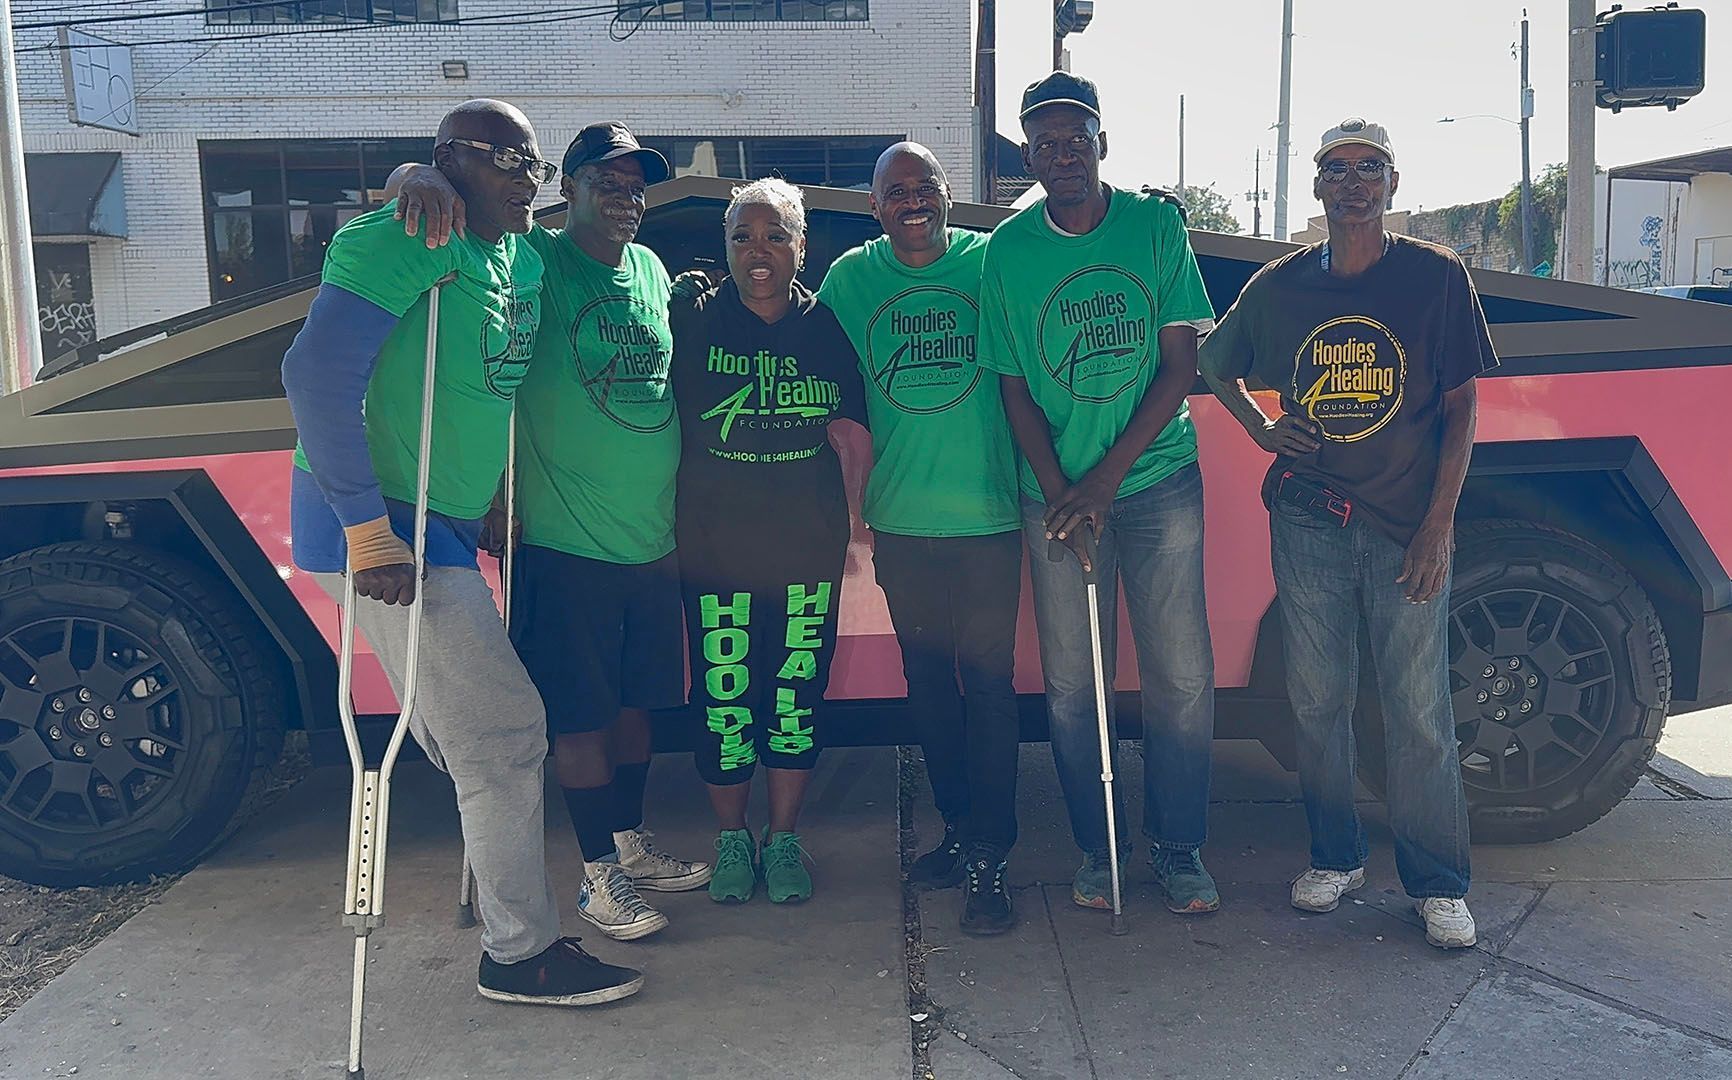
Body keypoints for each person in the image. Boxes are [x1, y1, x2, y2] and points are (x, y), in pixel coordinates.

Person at [281, 99, 644, 1005]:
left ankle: (501, 896)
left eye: (532, 161)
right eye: (504, 159)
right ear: (450, 160)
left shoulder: (516, 252)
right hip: (383, 530)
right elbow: (315, 377)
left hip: (444, 521)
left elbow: (480, 385)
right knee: (506, 734)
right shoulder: (409, 233)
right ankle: (519, 954)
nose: (526, 176)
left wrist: (490, 492)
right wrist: (368, 530)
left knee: (466, 733)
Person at [388, 121, 713, 945]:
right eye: (607, 180)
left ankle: (630, 845)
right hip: (566, 543)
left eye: (637, 184)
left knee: (640, 707)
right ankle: (599, 877)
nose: (626, 196)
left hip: (652, 538)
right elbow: (461, 224)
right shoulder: (538, 260)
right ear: (565, 188)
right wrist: (408, 175)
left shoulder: (649, 269)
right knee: (579, 717)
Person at [1199, 118, 1496, 949]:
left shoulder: (1436, 277)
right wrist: (1261, 431)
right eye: (1338, 169)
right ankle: (1335, 856)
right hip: (1309, 519)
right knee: (1317, 701)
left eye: (1371, 169)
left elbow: (1462, 406)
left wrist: (1439, 525)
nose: (1354, 182)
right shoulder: (1282, 285)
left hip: (1406, 527)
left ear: (1393, 185)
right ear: (1319, 187)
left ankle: (1438, 883)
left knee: (1419, 710)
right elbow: (1214, 363)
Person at [977, 71, 1222, 916]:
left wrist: (1101, 487)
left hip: (1155, 485)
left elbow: (1181, 366)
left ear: (1102, 143)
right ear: (1029, 158)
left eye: (1076, 138)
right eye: (1045, 144)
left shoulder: (1155, 224)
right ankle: (1098, 849)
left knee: (1180, 677)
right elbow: (1012, 388)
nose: (1063, 155)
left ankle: (1179, 847)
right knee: (1074, 687)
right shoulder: (1007, 252)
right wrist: (1061, 499)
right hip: (1054, 499)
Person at [816, 143, 1023, 935]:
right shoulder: (851, 279)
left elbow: (1057, 252)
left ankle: (992, 856)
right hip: (901, 525)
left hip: (991, 525)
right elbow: (802, 351)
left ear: (948, 194)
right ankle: (960, 829)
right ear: (874, 206)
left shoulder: (990, 261)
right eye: (895, 191)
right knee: (931, 696)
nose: (912, 201)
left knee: (993, 695)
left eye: (925, 187)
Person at [672, 177, 867, 905]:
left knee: (793, 699)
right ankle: (732, 840)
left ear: (801, 247)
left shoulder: (827, 327)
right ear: (725, 248)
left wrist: (859, 523)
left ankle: (782, 839)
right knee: (723, 701)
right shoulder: (691, 314)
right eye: (743, 237)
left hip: (804, 551)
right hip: (714, 548)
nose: (759, 252)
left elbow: (853, 432)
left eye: (776, 236)